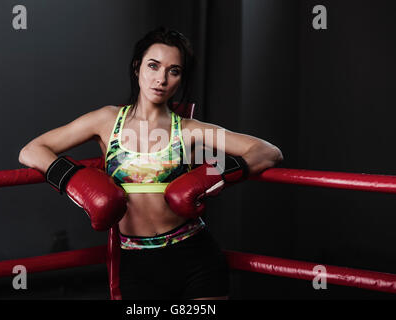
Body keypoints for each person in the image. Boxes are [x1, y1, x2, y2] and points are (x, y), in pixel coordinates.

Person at [18, 26, 283, 300]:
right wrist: (75, 181)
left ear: (181, 79)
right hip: (137, 264)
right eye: (153, 66)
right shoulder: (106, 121)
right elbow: (31, 151)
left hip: (195, 258)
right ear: (137, 68)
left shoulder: (189, 129)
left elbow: (267, 151)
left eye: (174, 71)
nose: (161, 79)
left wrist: (214, 175)